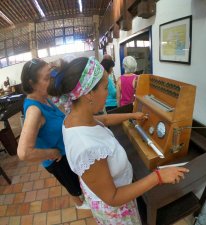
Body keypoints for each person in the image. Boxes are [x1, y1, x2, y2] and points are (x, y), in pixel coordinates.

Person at [48, 56, 189, 224]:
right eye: (106, 87)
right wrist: (158, 177)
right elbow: (113, 197)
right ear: (89, 94)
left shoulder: (75, 117)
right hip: (116, 211)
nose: (110, 91)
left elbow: (104, 120)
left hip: (104, 193)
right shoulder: (87, 147)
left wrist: (132, 115)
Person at [17, 58, 89, 209]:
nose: (52, 81)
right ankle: (80, 205)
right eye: (47, 78)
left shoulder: (44, 98)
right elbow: (23, 152)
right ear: (32, 83)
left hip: (64, 152)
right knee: (72, 185)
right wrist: (53, 152)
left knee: (75, 179)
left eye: (51, 75)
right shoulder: (34, 111)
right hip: (57, 161)